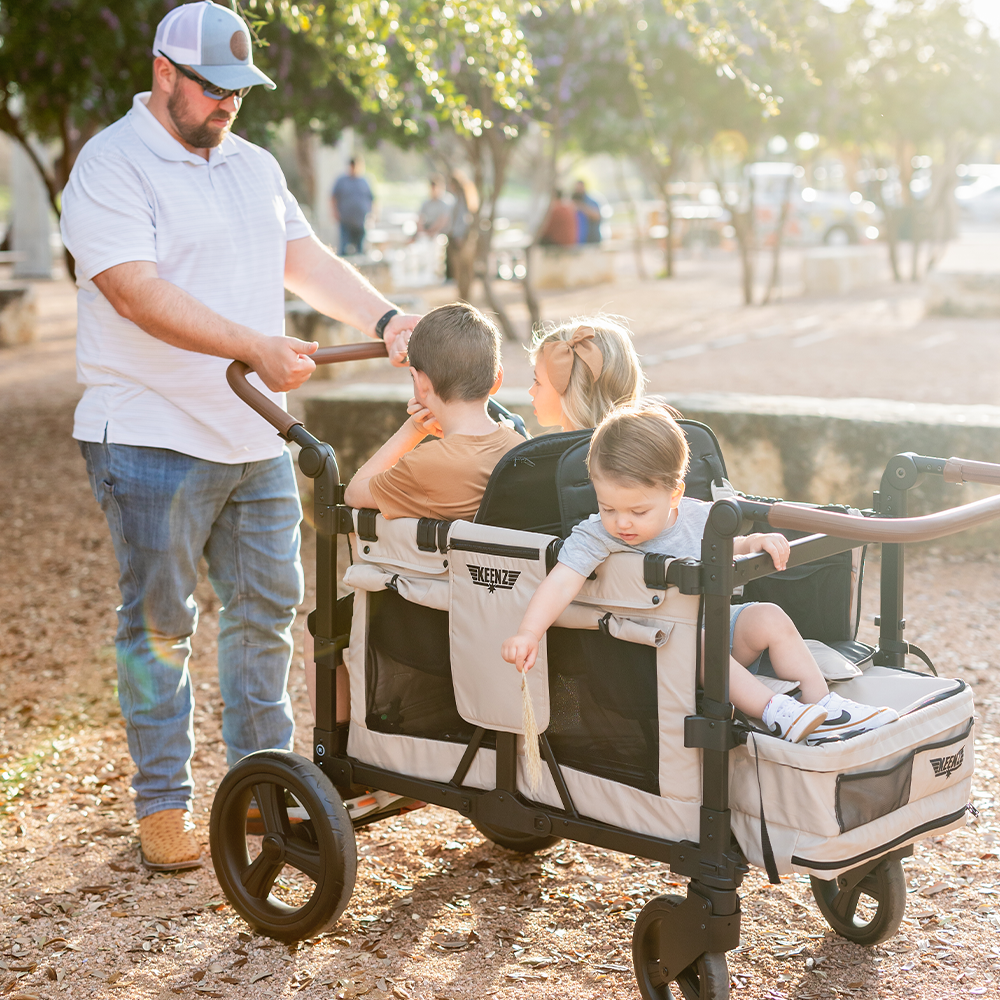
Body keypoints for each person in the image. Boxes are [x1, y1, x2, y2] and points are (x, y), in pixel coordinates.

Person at [60, 0, 420, 872]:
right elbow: (134, 292)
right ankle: (163, 805)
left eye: (238, 91)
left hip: (252, 432)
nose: (227, 105)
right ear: (164, 74)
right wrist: (252, 344)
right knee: (159, 624)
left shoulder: (253, 163)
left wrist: (386, 315)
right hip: (146, 433)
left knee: (264, 616)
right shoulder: (109, 166)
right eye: (212, 89)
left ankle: (260, 791)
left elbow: (303, 259)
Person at [502, 405, 900, 745]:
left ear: (674, 494)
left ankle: (821, 705)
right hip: (655, 654)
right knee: (699, 642)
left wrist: (757, 541)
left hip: (715, 634)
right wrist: (529, 632)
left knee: (768, 617)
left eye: (638, 511)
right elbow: (561, 580)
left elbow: (733, 547)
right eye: (608, 508)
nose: (621, 522)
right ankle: (776, 712)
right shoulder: (594, 535)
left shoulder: (699, 514)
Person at [344, 302, 524, 520]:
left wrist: (413, 429)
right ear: (497, 379)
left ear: (421, 383)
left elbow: (354, 494)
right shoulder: (519, 446)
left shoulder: (424, 465)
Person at [528, 317, 645, 433]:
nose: (531, 391)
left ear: (574, 392)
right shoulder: (633, 448)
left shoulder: (559, 451)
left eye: (537, 381)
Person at [331, 156, 374, 256]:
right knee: (344, 249)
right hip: (345, 220)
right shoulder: (341, 180)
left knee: (361, 251)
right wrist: (334, 212)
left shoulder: (365, 181)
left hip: (361, 221)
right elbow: (333, 197)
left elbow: (372, 199)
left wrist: (373, 215)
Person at [416, 175, 455, 240]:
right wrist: (421, 231)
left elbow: (443, 221)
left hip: (441, 233)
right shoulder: (426, 203)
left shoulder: (446, 201)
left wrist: (431, 231)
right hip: (427, 229)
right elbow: (420, 218)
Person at [572, 179, 602, 244]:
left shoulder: (591, 202)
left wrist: (581, 207)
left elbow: (597, 216)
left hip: (592, 238)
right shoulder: (572, 201)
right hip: (579, 241)